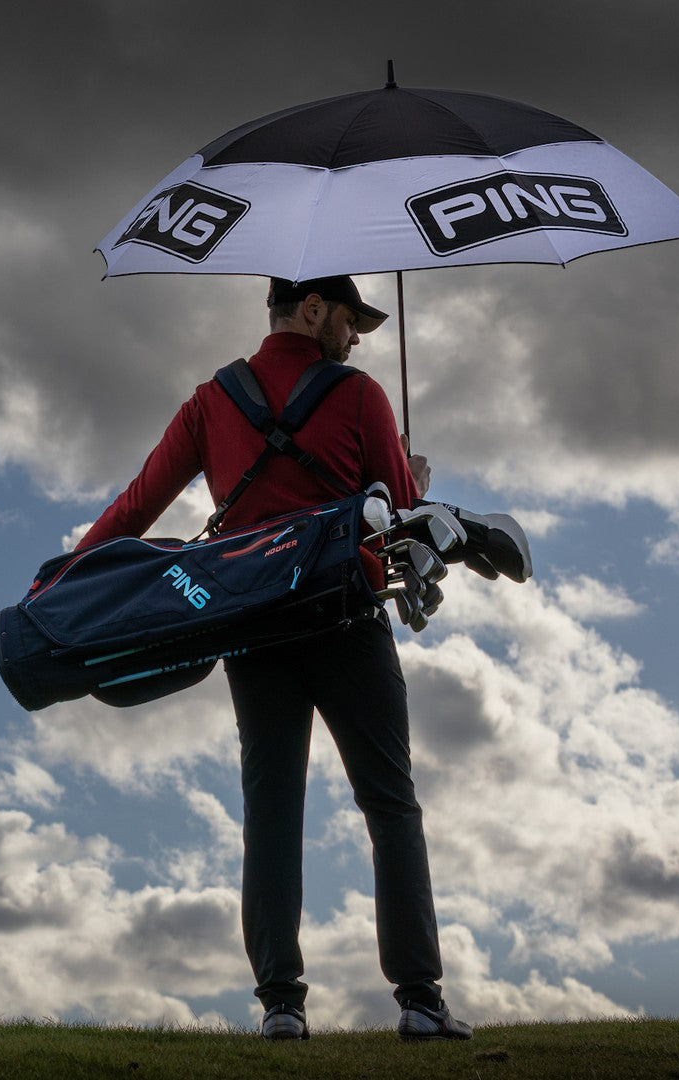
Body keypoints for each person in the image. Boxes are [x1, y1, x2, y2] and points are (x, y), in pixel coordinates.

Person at [77, 275, 472, 1042]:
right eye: (350, 321)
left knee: (272, 810)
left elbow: (136, 505)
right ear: (314, 309)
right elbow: (401, 518)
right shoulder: (360, 398)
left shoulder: (209, 402)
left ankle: (281, 1007)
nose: (356, 338)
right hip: (347, 621)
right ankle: (421, 1000)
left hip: (252, 628)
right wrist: (415, 484)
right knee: (390, 805)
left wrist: (62, 582)